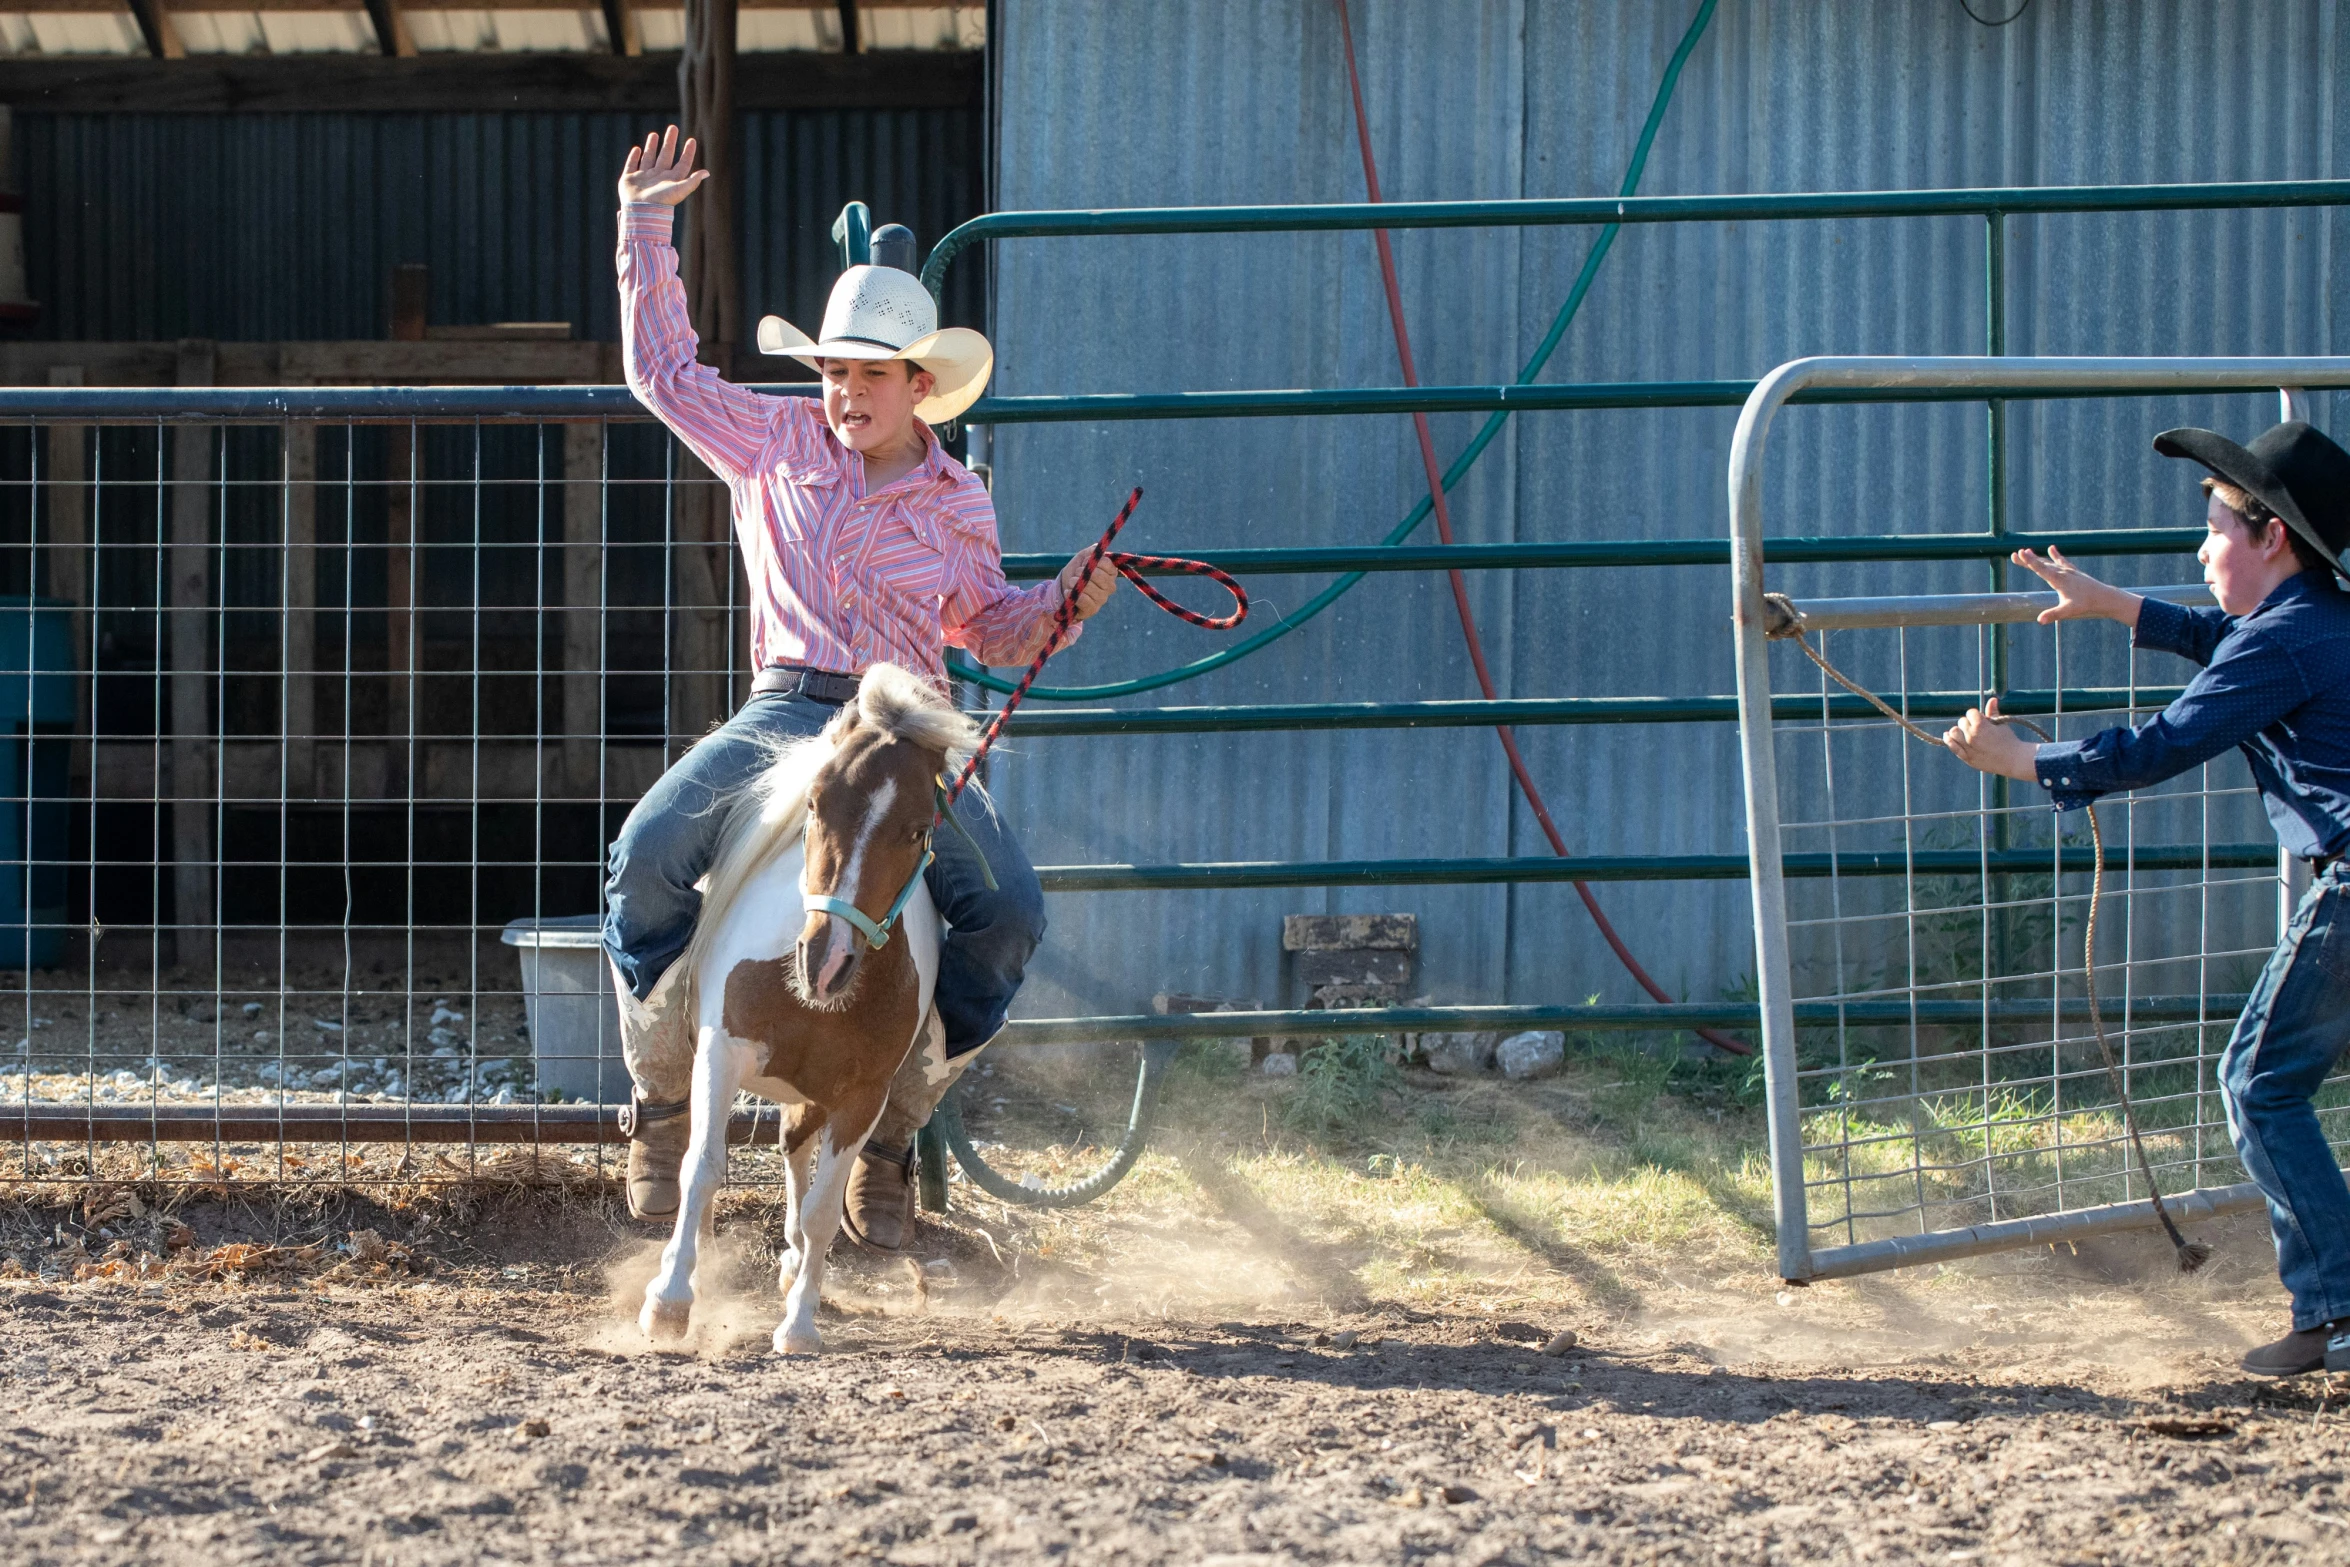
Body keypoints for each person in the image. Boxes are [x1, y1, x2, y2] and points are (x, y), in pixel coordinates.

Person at [603, 125, 1119, 1248]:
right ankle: (657, 1100)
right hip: (787, 701)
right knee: (646, 854)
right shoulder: (770, 440)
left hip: (906, 718)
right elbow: (662, 374)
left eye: (866, 374)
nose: (842, 391)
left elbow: (988, 624)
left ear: (917, 385)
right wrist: (647, 226)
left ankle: (887, 1128)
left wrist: (1066, 604)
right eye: (830, 370)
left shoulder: (955, 500)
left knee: (1007, 914)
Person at [1943, 418, 2350, 1377]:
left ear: (2271, 539)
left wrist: (2026, 758)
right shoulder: (2319, 622)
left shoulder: (2286, 643)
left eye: (2214, 528)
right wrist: (2112, 604)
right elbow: (2225, 642)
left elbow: (2159, 744)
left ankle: (2336, 1308)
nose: (2199, 547)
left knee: (2258, 1081)